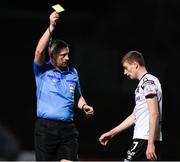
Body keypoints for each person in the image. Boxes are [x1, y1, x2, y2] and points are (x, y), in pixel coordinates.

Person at [33, 11, 94, 161]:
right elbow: (39, 50)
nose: (67, 58)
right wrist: (51, 27)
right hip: (45, 129)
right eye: (63, 55)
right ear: (53, 56)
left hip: (67, 129)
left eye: (68, 54)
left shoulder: (73, 72)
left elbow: (77, 96)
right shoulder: (42, 70)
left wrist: (84, 105)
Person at [99, 51, 162, 161]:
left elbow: (154, 113)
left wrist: (150, 144)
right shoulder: (143, 84)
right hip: (145, 139)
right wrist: (111, 133)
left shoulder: (148, 82)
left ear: (135, 65)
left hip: (145, 139)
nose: (124, 72)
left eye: (126, 67)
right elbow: (134, 116)